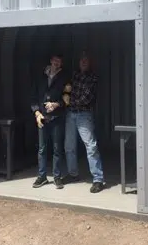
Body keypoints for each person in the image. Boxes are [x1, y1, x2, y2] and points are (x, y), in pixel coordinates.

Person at [62, 52, 105, 193]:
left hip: (84, 114)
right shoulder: (74, 75)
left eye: (86, 61)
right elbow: (66, 90)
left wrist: (68, 101)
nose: (83, 62)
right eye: (82, 60)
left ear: (90, 63)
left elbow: (86, 97)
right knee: (69, 146)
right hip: (71, 114)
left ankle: (98, 179)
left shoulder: (92, 77)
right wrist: (65, 97)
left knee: (91, 146)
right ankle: (73, 174)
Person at [30, 53, 68, 189]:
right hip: (42, 118)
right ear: (51, 61)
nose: (57, 63)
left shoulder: (64, 78)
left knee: (57, 149)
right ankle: (42, 177)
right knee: (42, 149)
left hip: (57, 118)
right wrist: (36, 112)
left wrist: (56, 104)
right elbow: (33, 97)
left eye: (59, 61)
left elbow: (67, 97)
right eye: (55, 60)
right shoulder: (40, 77)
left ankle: (57, 177)